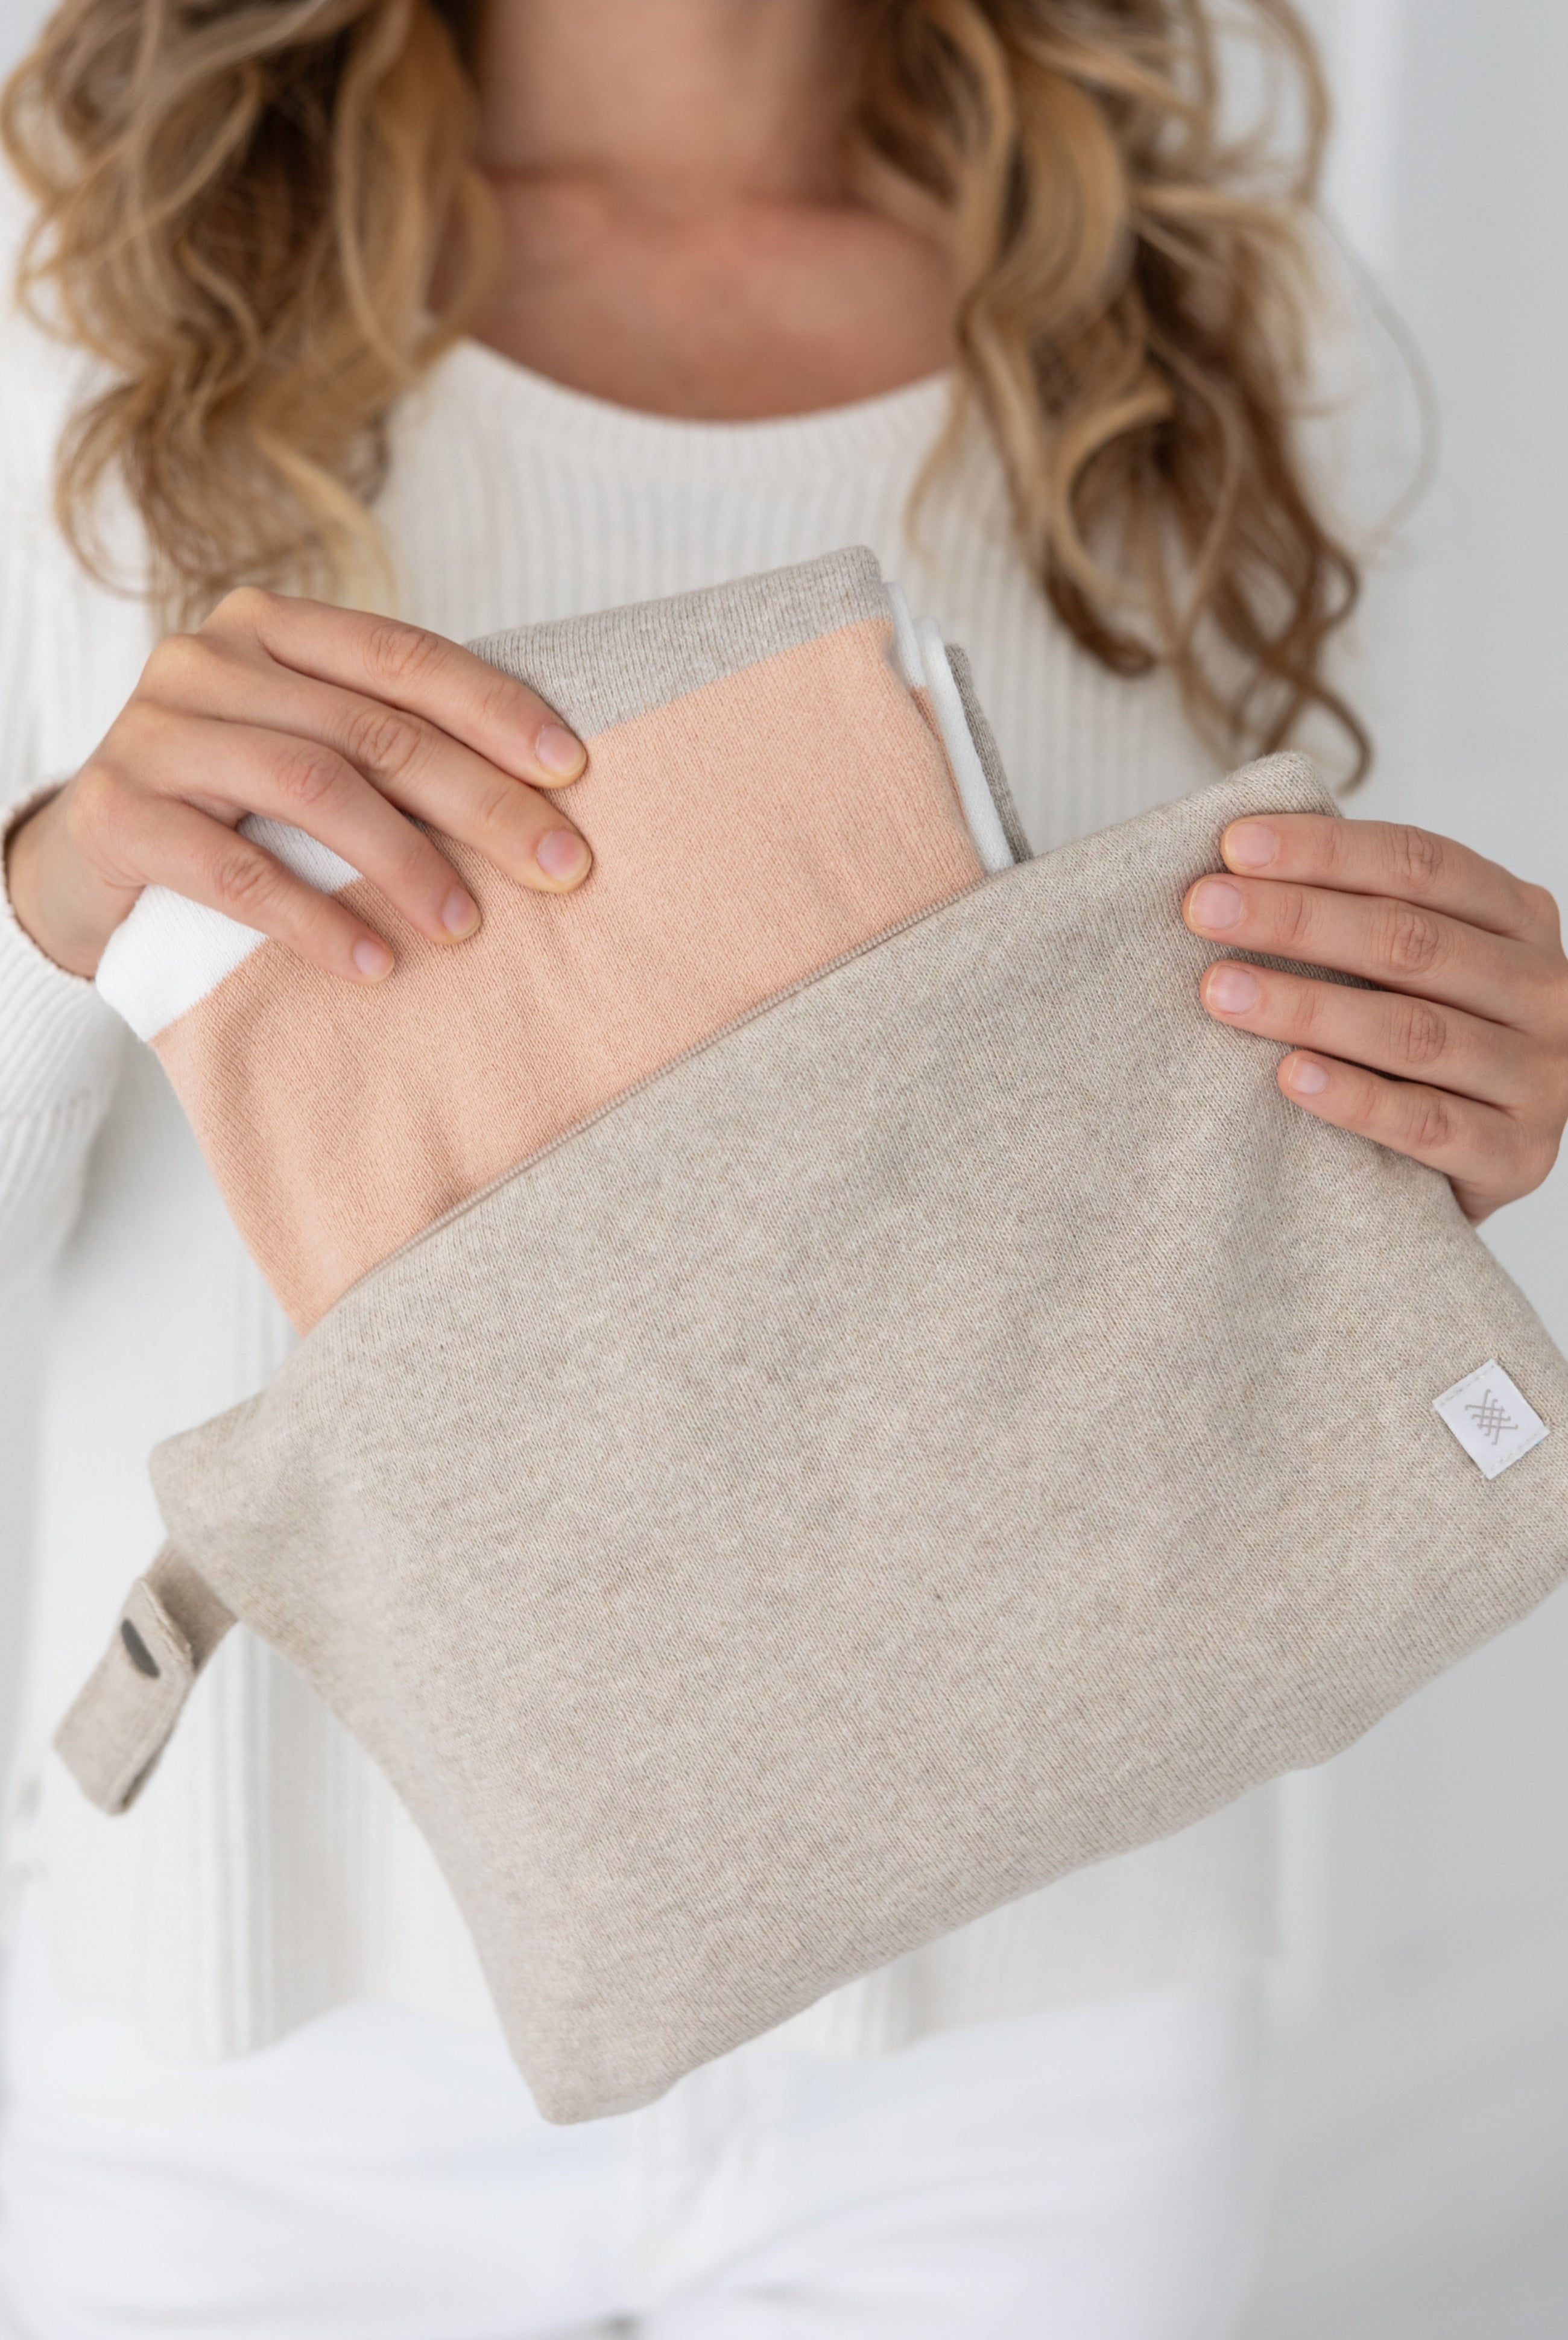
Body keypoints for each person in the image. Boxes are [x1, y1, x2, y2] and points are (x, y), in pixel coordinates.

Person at [0, 2, 1564, 2333]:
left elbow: (1263, 1157)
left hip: (1041, 2049)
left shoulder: (1220, 323)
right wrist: (46, 918)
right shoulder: (83, 297)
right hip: (249, 2057)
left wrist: (1470, 1083)